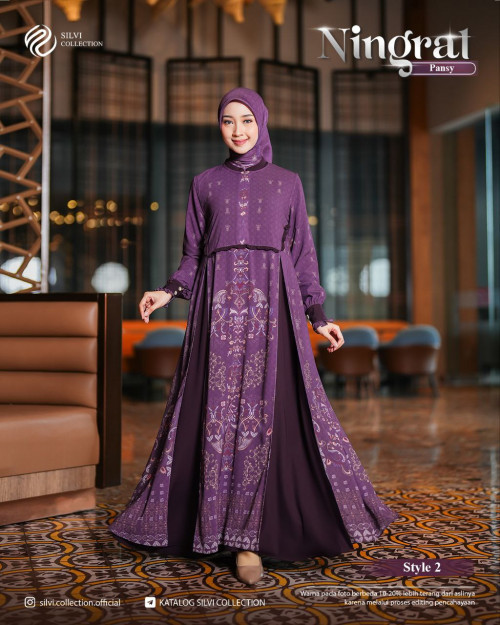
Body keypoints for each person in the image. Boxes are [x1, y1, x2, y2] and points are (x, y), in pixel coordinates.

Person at [110, 87, 400, 586]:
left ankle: (252, 540)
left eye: (247, 120)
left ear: (261, 122)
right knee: (213, 415)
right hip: (216, 316)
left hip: (275, 315)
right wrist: (166, 291)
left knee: (270, 418)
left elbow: (303, 257)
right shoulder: (204, 183)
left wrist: (319, 315)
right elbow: (193, 255)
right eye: (228, 120)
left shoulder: (288, 183)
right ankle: (212, 527)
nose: (238, 130)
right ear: (218, 126)